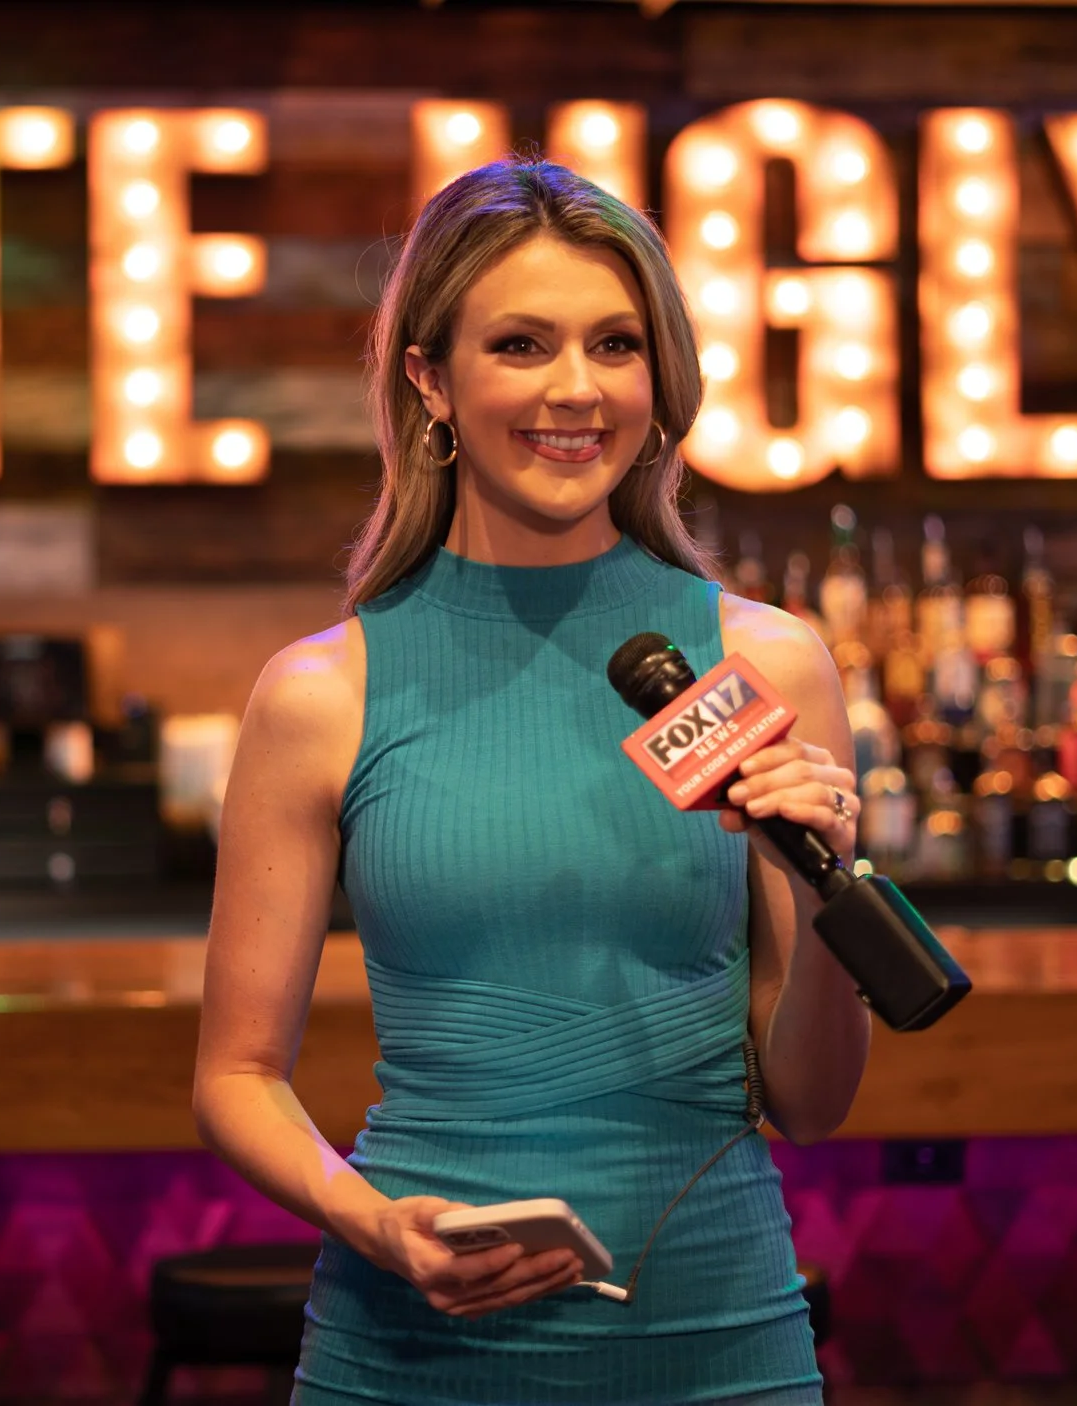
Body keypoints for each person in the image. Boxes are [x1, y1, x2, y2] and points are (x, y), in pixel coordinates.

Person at [193, 158, 869, 1405]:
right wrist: (371, 1219)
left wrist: (818, 889)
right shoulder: (319, 692)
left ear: (658, 381)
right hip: (408, 1347)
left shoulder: (763, 660)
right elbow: (234, 1076)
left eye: (615, 343)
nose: (575, 388)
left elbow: (813, 1102)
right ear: (429, 379)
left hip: (715, 1339)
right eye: (520, 343)